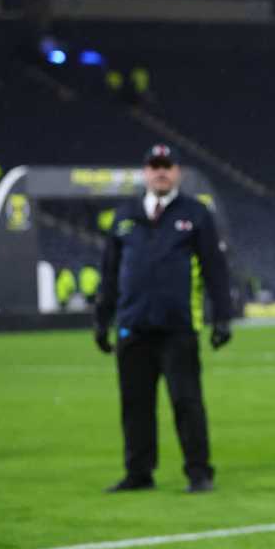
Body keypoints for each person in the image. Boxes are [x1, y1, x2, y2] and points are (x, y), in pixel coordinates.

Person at [93, 143, 232, 493]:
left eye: (166, 166)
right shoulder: (124, 216)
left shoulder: (196, 213)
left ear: (177, 172)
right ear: (145, 172)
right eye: (154, 166)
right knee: (135, 404)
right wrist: (102, 319)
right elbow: (109, 272)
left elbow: (215, 269)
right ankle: (138, 473)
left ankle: (199, 472)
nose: (160, 172)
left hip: (177, 326)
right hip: (133, 325)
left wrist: (222, 317)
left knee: (187, 401)